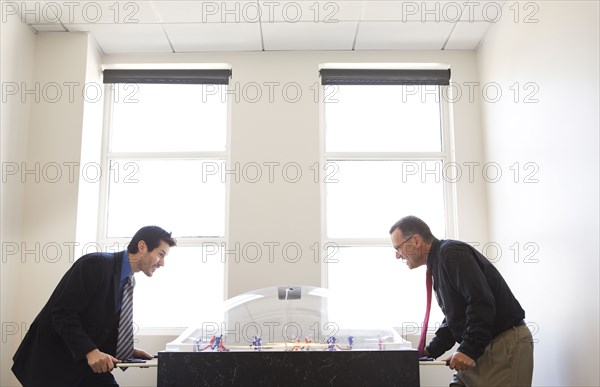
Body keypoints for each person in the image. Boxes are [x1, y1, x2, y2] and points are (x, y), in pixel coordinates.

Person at [12, 226, 176, 386]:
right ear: (142, 246)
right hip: (52, 363)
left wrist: (127, 351)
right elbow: (63, 314)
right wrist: (90, 352)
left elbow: (98, 327)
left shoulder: (128, 281)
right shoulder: (96, 264)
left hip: (82, 364)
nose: (162, 263)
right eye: (160, 254)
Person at [389, 216, 533, 386]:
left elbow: (481, 301)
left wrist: (468, 349)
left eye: (398, 248)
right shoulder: (439, 264)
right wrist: (429, 351)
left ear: (417, 240)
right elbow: (456, 317)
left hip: (501, 343)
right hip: (483, 343)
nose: (397, 255)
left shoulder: (451, 253)